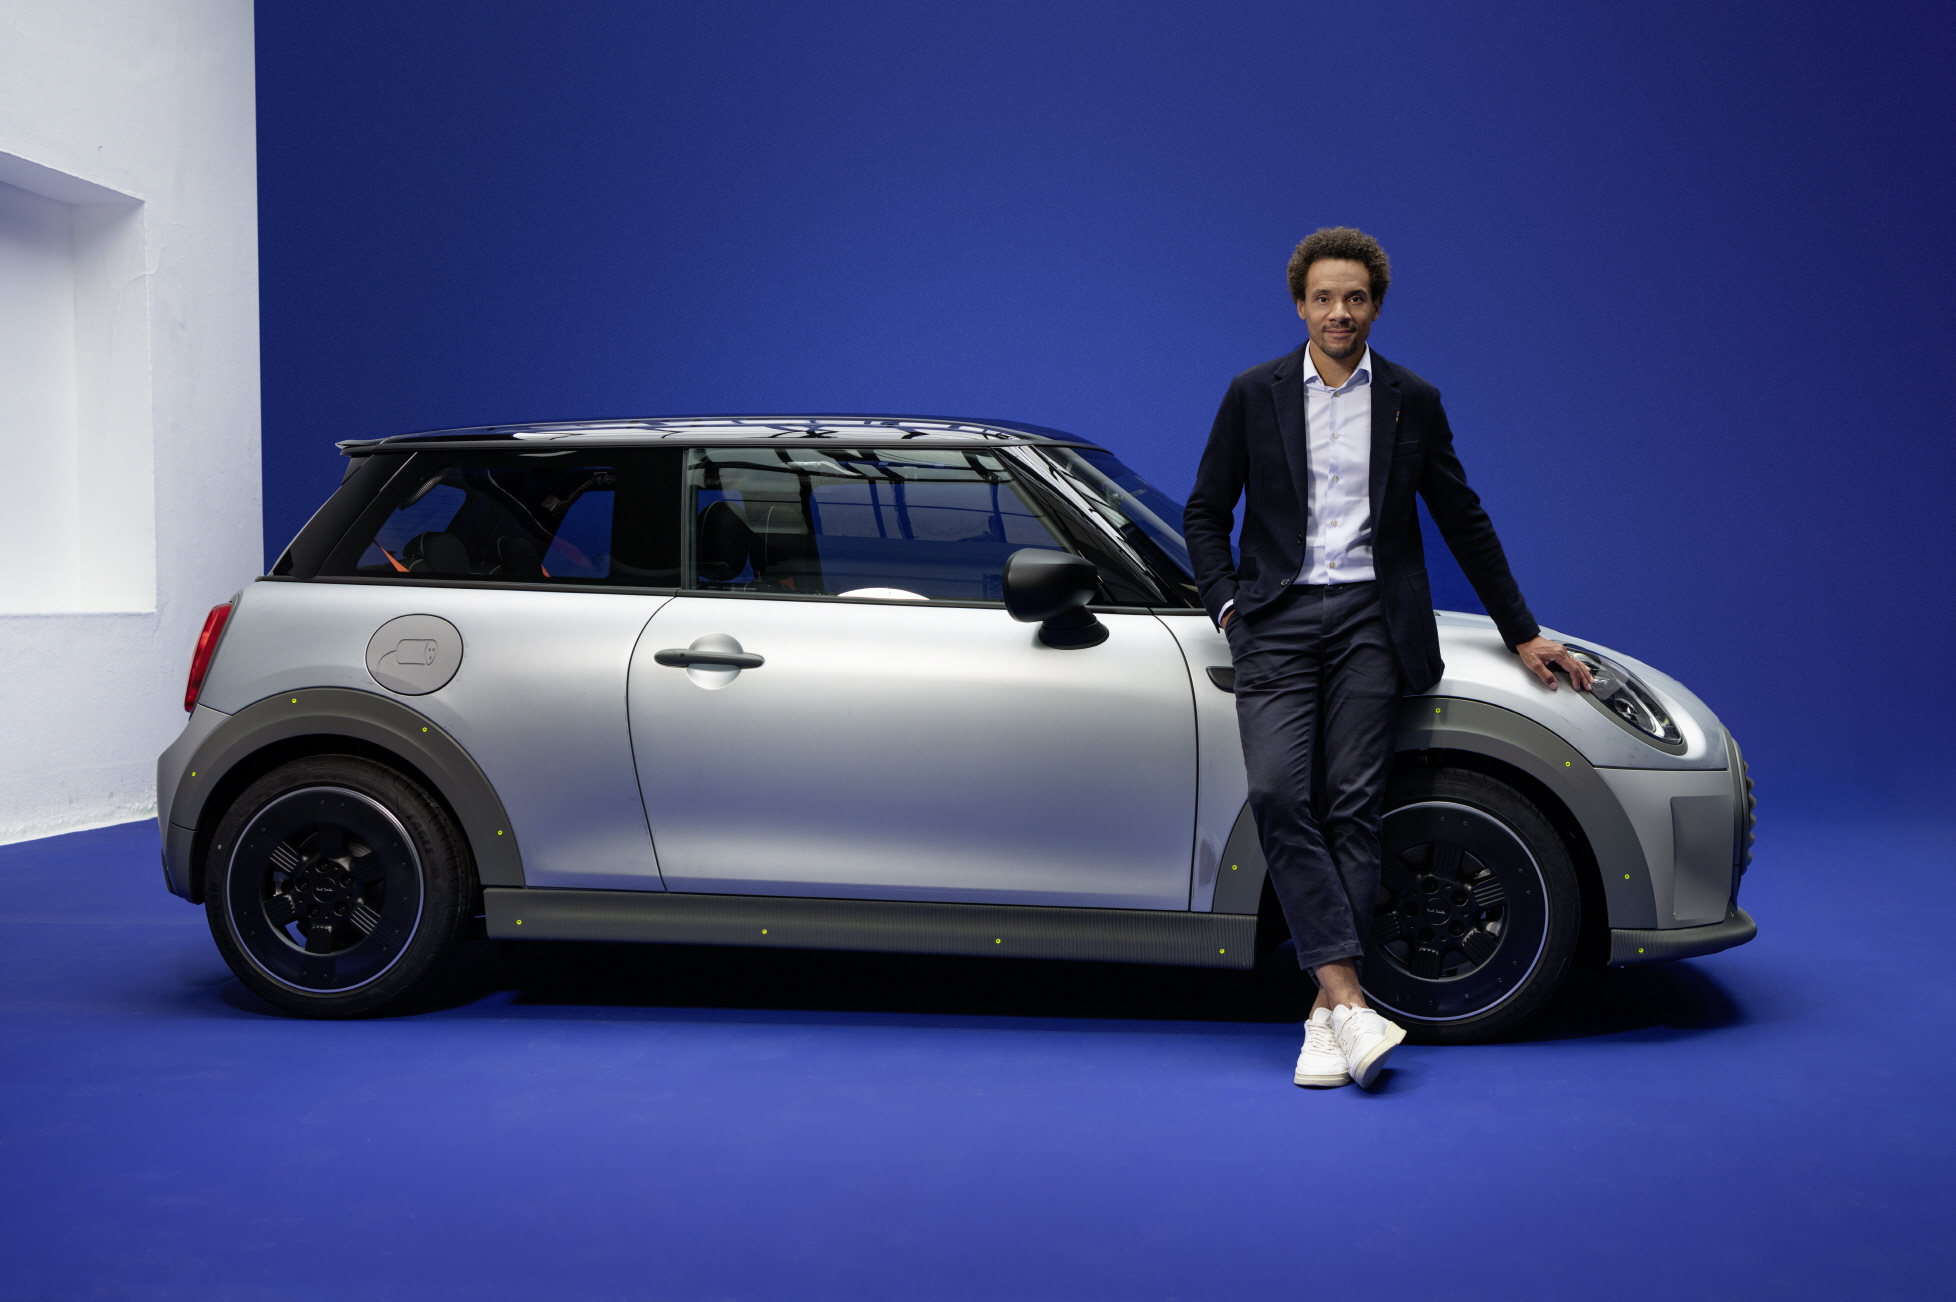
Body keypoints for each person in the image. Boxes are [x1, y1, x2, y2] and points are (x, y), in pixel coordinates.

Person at [1183, 227, 1593, 1090]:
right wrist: (1228, 605)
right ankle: (1348, 998)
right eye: (1324, 298)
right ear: (1300, 306)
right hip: (1276, 622)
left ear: (1375, 307)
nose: (1340, 312)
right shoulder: (1253, 393)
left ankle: (1325, 1016)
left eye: (1356, 298)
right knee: (1278, 793)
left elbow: (1462, 518)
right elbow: (1205, 512)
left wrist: (1521, 630)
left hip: (1374, 622)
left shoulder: (1414, 399)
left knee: (1354, 808)